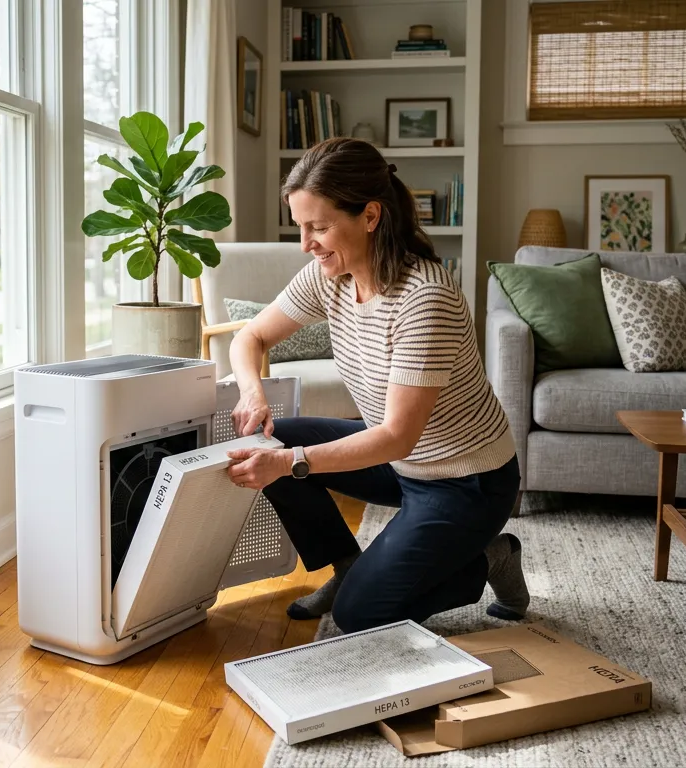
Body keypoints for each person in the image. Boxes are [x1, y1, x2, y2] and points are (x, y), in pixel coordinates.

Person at [223, 137, 527, 634]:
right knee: (270, 440)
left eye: (319, 227)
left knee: (361, 614)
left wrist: (287, 463)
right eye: (301, 226)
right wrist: (252, 392)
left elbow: (396, 437)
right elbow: (250, 336)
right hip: (400, 461)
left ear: (370, 216)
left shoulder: (425, 297)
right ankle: (347, 567)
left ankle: (490, 558)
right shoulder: (329, 276)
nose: (306, 243)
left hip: (465, 479)